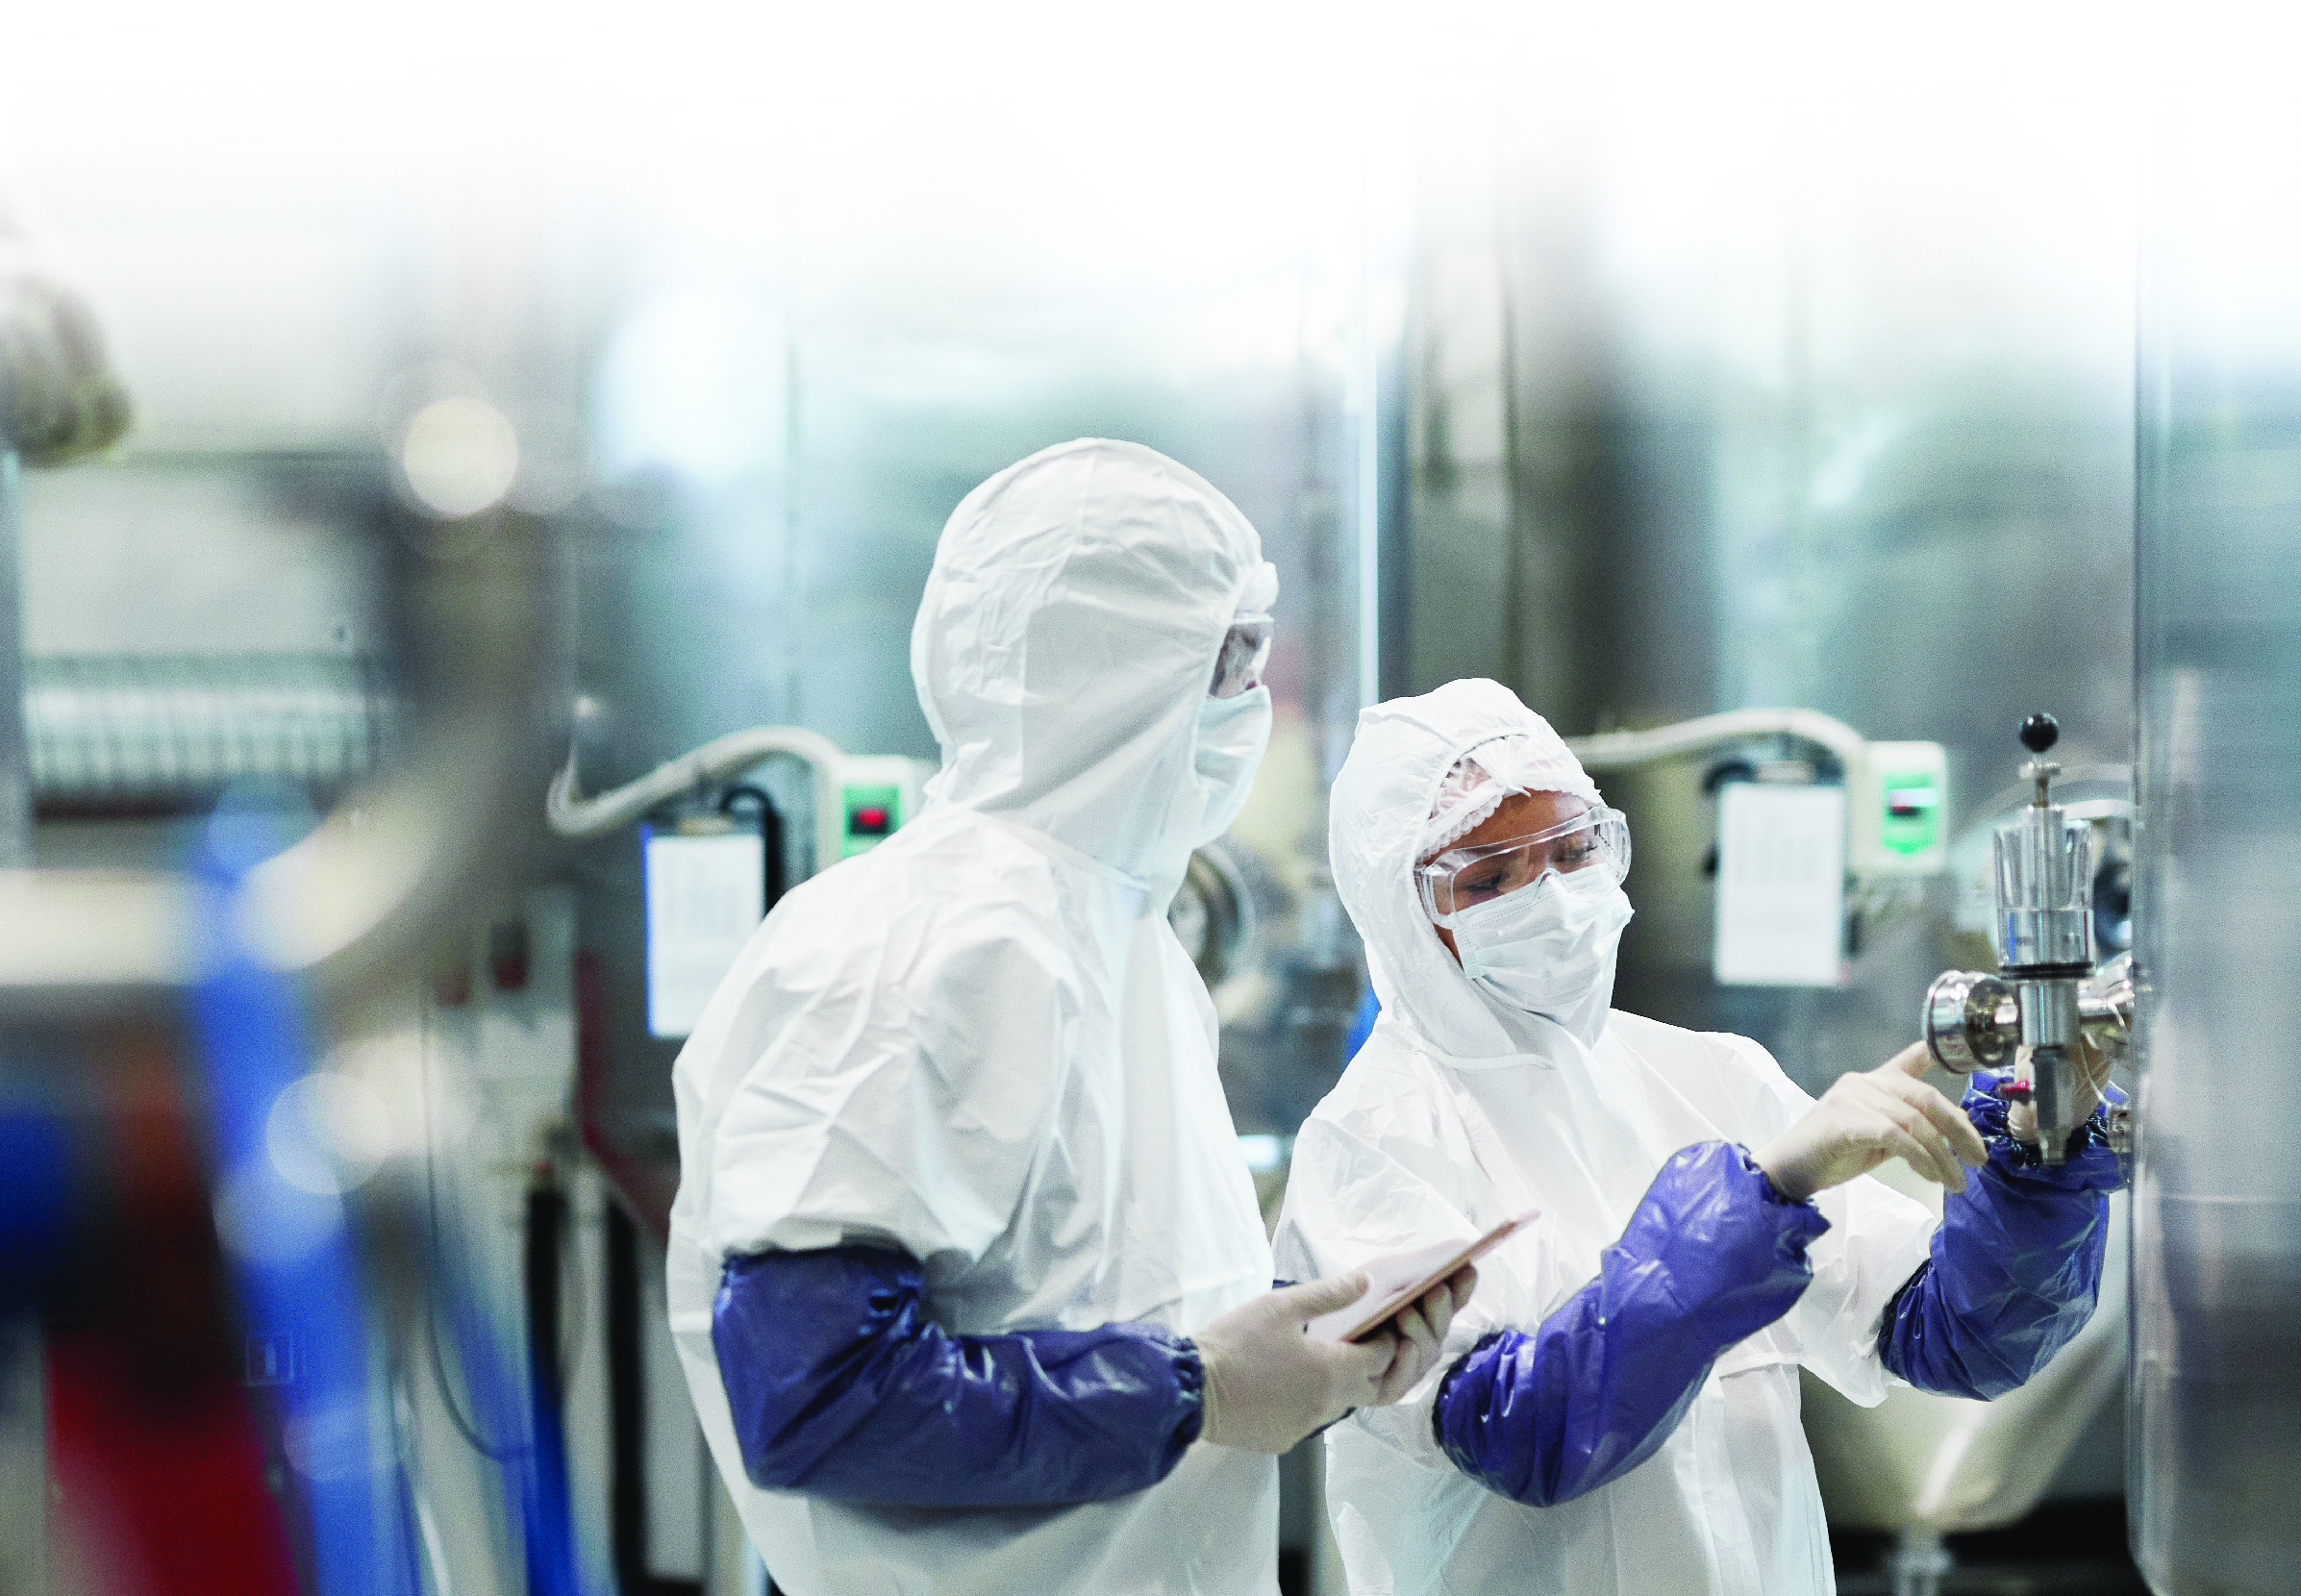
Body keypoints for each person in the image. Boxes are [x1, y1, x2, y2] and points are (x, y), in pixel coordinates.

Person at [666, 438, 1457, 1596]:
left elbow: (1098, 1301)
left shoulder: (1127, 937)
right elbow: (817, 1398)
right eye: (1229, 659)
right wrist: (1198, 1390)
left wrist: (1303, 1354)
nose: (1253, 703)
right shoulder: (914, 951)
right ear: (1118, 670)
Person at [1275, 679, 2127, 1596]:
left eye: (1572, 850)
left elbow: (1961, 1341)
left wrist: (2043, 1155)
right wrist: (1772, 1189)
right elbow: (1525, 1433)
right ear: (1399, 912)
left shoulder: (1706, 1074)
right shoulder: (1371, 1143)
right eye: (1487, 878)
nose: (1554, 897)